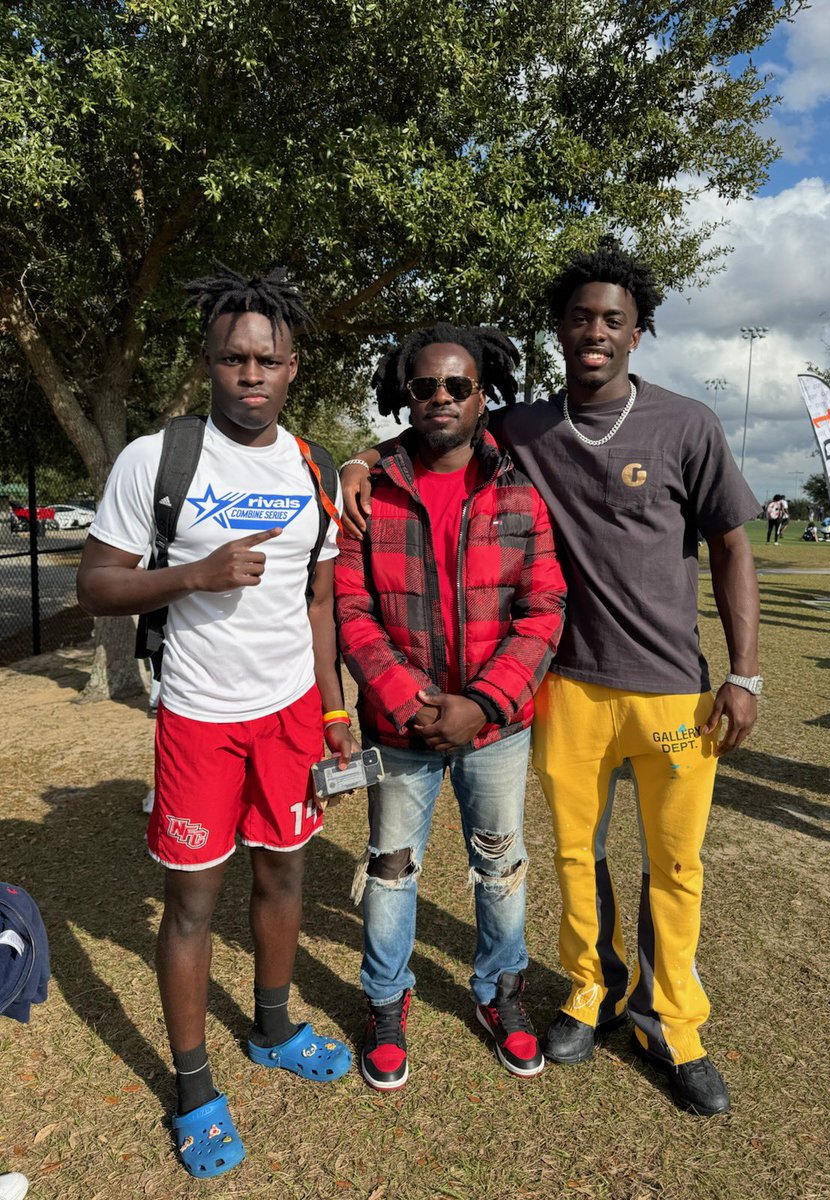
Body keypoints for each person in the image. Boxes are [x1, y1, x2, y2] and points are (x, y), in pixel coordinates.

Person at [341, 241, 762, 1116]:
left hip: (673, 688)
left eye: (612, 319)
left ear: (638, 332)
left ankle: (674, 1025)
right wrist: (356, 460)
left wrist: (745, 672)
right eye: (580, 319)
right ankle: (588, 995)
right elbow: (429, 428)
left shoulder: (687, 424)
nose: (595, 333)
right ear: (560, 331)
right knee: (575, 858)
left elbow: (730, 544)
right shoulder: (523, 428)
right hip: (566, 689)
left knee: (674, 865)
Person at [76, 266, 357, 1178]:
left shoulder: (308, 465)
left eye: (266, 360)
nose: (250, 375)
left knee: (284, 877)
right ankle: (194, 1086)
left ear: (292, 367)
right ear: (209, 363)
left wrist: (331, 705)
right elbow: (95, 587)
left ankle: (272, 1025)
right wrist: (193, 575)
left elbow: (319, 600)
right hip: (198, 718)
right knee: (193, 905)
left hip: (287, 717)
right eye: (233, 359)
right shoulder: (157, 461)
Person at [334, 324, 566, 1090]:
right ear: (407, 394)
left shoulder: (518, 486)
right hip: (400, 730)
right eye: (425, 386)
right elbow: (352, 607)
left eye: (457, 386)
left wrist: (483, 703)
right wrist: (405, 698)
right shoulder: (372, 489)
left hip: (495, 730)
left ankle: (502, 993)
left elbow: (544, 608)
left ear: (482, 394)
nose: (441, 398)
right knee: (392, 869)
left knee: (500, 865)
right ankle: (386, 1003)